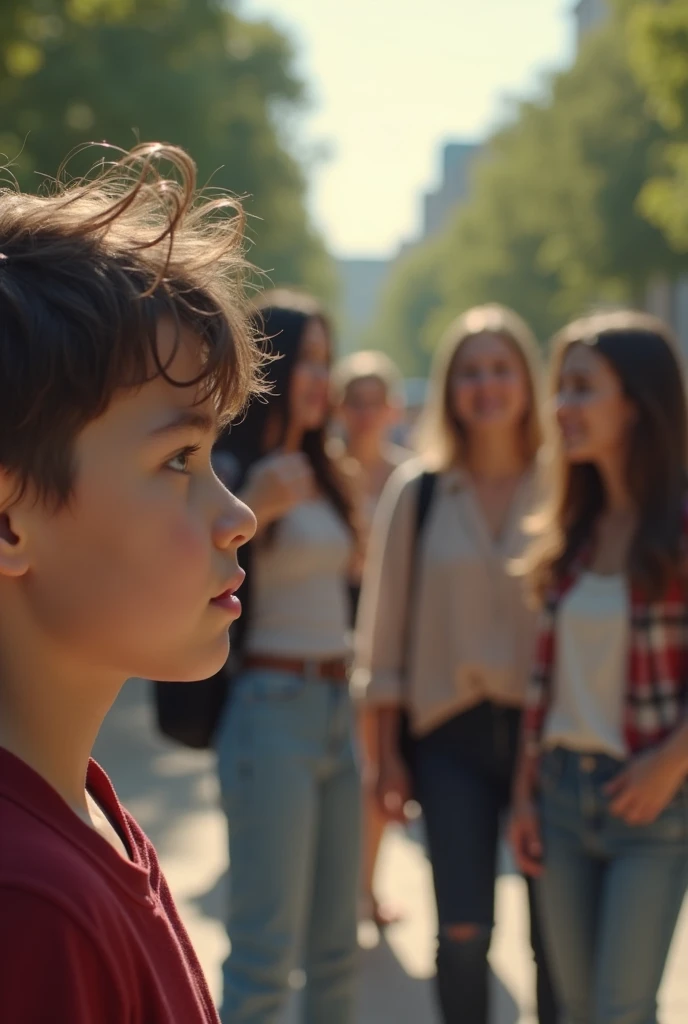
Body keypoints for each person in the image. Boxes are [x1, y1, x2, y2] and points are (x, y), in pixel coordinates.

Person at [0, 143, 261, 1023]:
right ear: (8, 520)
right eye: (179, 459)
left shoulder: (83, 817)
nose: (240, 516)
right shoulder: (30, 907)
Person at [353, 304, 558, 1024]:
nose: (487, 384)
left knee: (554, 943)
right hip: (448, 741)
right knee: (465, 934)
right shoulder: (420, 492)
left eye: (501, 368)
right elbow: (381, 637)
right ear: (449, 389)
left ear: (528, 383)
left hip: (551, 740)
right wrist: (382, 761)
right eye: (470, 372)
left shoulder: (567, 484)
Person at [510, 310, 688, 1024]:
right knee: (576, 1009)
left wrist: (672, 762)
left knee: (621, 1010)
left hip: (650, 803)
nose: (561, 408)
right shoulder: (572, 530)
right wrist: (525, 793)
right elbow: (545, 685)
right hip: (558, 797)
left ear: (637, 404)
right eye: (562, 388)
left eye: (582, 388)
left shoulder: (680, 528)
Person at [212, 291, 362, 1024]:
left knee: (338, 954)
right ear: (266, 362)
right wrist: (252, 505)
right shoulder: (234, 464)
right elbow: (189, 573)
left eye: (325, 361)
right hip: (270, 709)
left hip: (340, 705)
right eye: (304, 357)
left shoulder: (323, 466)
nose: (318, 375)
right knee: (266, 958)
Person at [331, 349, 410, 928]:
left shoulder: (411, 478)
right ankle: (341, 889)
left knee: (380, 768)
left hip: (390, 640)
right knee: (341, 772)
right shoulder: (323, 474)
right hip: (332, 637)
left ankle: (365, 889)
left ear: (392, 408)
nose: (363, 413)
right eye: (353, 402)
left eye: (373, 401)